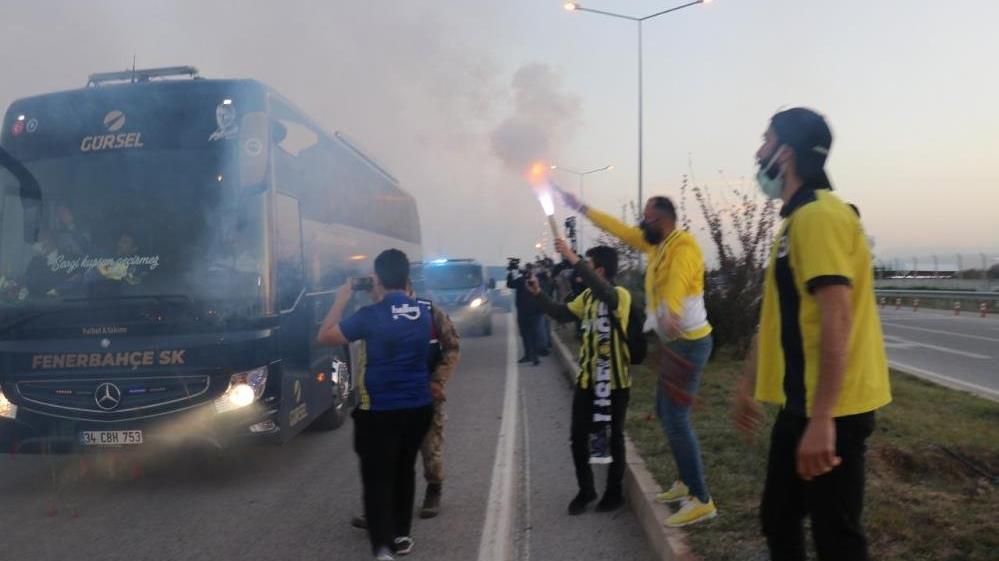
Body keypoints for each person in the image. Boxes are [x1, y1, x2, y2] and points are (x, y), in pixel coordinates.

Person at [732, 107, 891, 561]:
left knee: (836, 538)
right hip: (803, 402)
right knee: (778, 519)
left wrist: (823, 420)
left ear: (784, 154)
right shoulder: (796, 221)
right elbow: (779, 317)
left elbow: (836, 318)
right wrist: (748, 386)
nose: (757, 151)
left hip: (834, 410)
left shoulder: (819, 217)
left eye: (765, 140)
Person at [561, 190, 717, 528]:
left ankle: (701, 499)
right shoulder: (657, 245)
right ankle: (685, 483)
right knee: (666, 412)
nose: (640, 223)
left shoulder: (683, 247)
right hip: (676, 343)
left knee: (676, 419)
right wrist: (583, 208)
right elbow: (619, 230)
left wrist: (672, 311)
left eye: (646, 217)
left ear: (660, 220)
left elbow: (677, 281)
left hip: (690, 343)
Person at [317, 249, 434, 561]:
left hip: (379, 412)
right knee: (405, 470)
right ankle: (402, 536)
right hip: (419, 407)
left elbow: (326, 336)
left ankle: (382, 548)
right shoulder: (424, 311)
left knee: (377, 478)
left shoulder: (370, 317)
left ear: (377, 279)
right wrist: (384, 291)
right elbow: (401, 310)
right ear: (408, 279)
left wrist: (342, 296)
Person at [528, 239, 632, 515]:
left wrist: (573, 257)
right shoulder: (585, 298)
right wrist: (539, 295)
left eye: (587, 265)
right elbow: (561, 313)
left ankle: (614, 492)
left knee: (614, 437)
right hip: (587, 382)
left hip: (615, 383)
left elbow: (605, 293)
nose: (578, 272)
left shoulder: (620, 295)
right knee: (578, 437)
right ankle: (586, 490)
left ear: (599, 271)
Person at [351, 286, 460, 527]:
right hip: (386, 399)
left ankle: (434, 489)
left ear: (407, 290)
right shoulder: (373, 316)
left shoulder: (430, 312)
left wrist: (438, 380)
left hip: (425, 394)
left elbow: (452, 346)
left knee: (430, 447)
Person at [507, 262, 544, 366]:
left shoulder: (529, 280)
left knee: (530, 334)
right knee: (529, 334)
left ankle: (532, 356)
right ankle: (531, 356)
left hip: (530, 311)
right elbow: (510, 284)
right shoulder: (524, 280)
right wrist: (512, 272)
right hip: (529, 311)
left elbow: (510, 284)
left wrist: (511, 272)